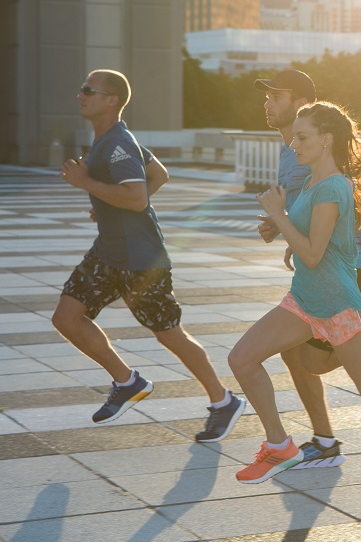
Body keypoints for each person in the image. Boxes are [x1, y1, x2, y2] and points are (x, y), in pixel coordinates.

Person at [227, 101, 361, 490]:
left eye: (302, 136)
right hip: (304, 302)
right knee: (242, 359)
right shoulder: (313, 182)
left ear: (326, 140)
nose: (294, 143)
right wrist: (281, 227)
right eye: (294, 136)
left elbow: (313, 252)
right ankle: (279, 445)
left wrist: (279, 216)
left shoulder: (332, 187)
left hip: (338, 305)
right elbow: (313, 242)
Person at [52, 69, 245, 443]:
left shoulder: (117, 144)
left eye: (89, 90)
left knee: (170, 335)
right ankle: (128, 381)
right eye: (81, 88)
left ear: (112, 100)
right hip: (109, 253)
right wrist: (110, 205)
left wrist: (86, 184)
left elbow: (139, 196)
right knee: (67, 317)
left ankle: (223, 402)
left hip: (141, 260)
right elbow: (159, 173)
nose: (81, 94)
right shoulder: (112, 139)